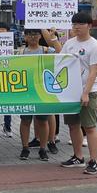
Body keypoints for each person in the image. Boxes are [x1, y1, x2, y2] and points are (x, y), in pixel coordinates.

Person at [59, 12, 97, 175]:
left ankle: (94, 161)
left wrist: (85, 93)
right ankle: (78, 157)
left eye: (80, 24)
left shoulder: (95, 46)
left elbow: (94, 72)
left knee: (89, 126)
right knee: (73, 125)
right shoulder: (69, 43)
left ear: (89, 26)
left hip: (89, 92)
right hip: (71, 91)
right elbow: (61, 60)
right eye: (74, 24)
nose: (76, 27)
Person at [16, 28, 58, 161]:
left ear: (40, 36)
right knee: (25, 120)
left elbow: (61, 53)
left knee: (43, 121)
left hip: (42, 92)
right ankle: (25, 148)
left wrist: (53, 39)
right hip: (26, 91)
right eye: (29, 34)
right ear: (25, 37)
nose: (33, 37)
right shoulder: (20, 52)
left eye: (35, 34)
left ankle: (43, 148)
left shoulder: (47, 51)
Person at [0, 21, 15, 139]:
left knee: (7, 103)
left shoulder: (9, 43)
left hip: (6, 76)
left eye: (4, 30)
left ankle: (7, 126)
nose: (1, 32)